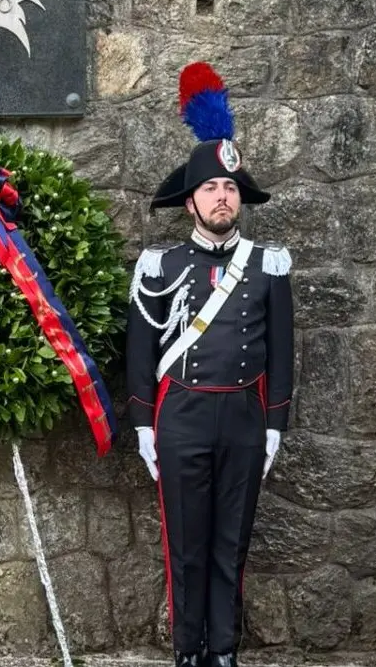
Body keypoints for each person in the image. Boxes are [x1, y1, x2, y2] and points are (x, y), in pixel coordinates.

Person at [125, 63, 294, 667]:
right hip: (183, 418)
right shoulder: (159, 267)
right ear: (191, 200)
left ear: (237, 196)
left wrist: (274, 425)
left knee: (232, 544)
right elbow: (141, 353)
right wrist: (145, 424)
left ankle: (224, 650)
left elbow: (283, 349)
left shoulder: (268, 264)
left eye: (230, 188)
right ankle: (187, 650)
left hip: (245, 418)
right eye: (210, 189)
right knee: (186, 547)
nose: (222, 197)